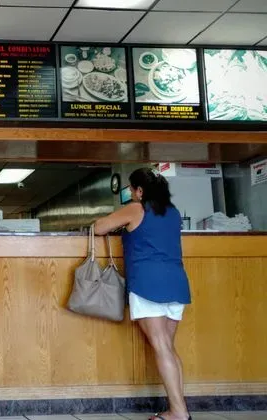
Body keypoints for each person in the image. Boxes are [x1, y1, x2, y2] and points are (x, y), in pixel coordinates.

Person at [94, 168, 191, 420]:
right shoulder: (173, 212)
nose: (130, 193)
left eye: (131, 188)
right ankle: (179, 409)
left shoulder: (137, 209)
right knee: (168, 347)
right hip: (176, 282)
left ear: (139, 190)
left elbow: (99, 227)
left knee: (161, 346)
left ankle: (178, 412)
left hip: (148, 283)